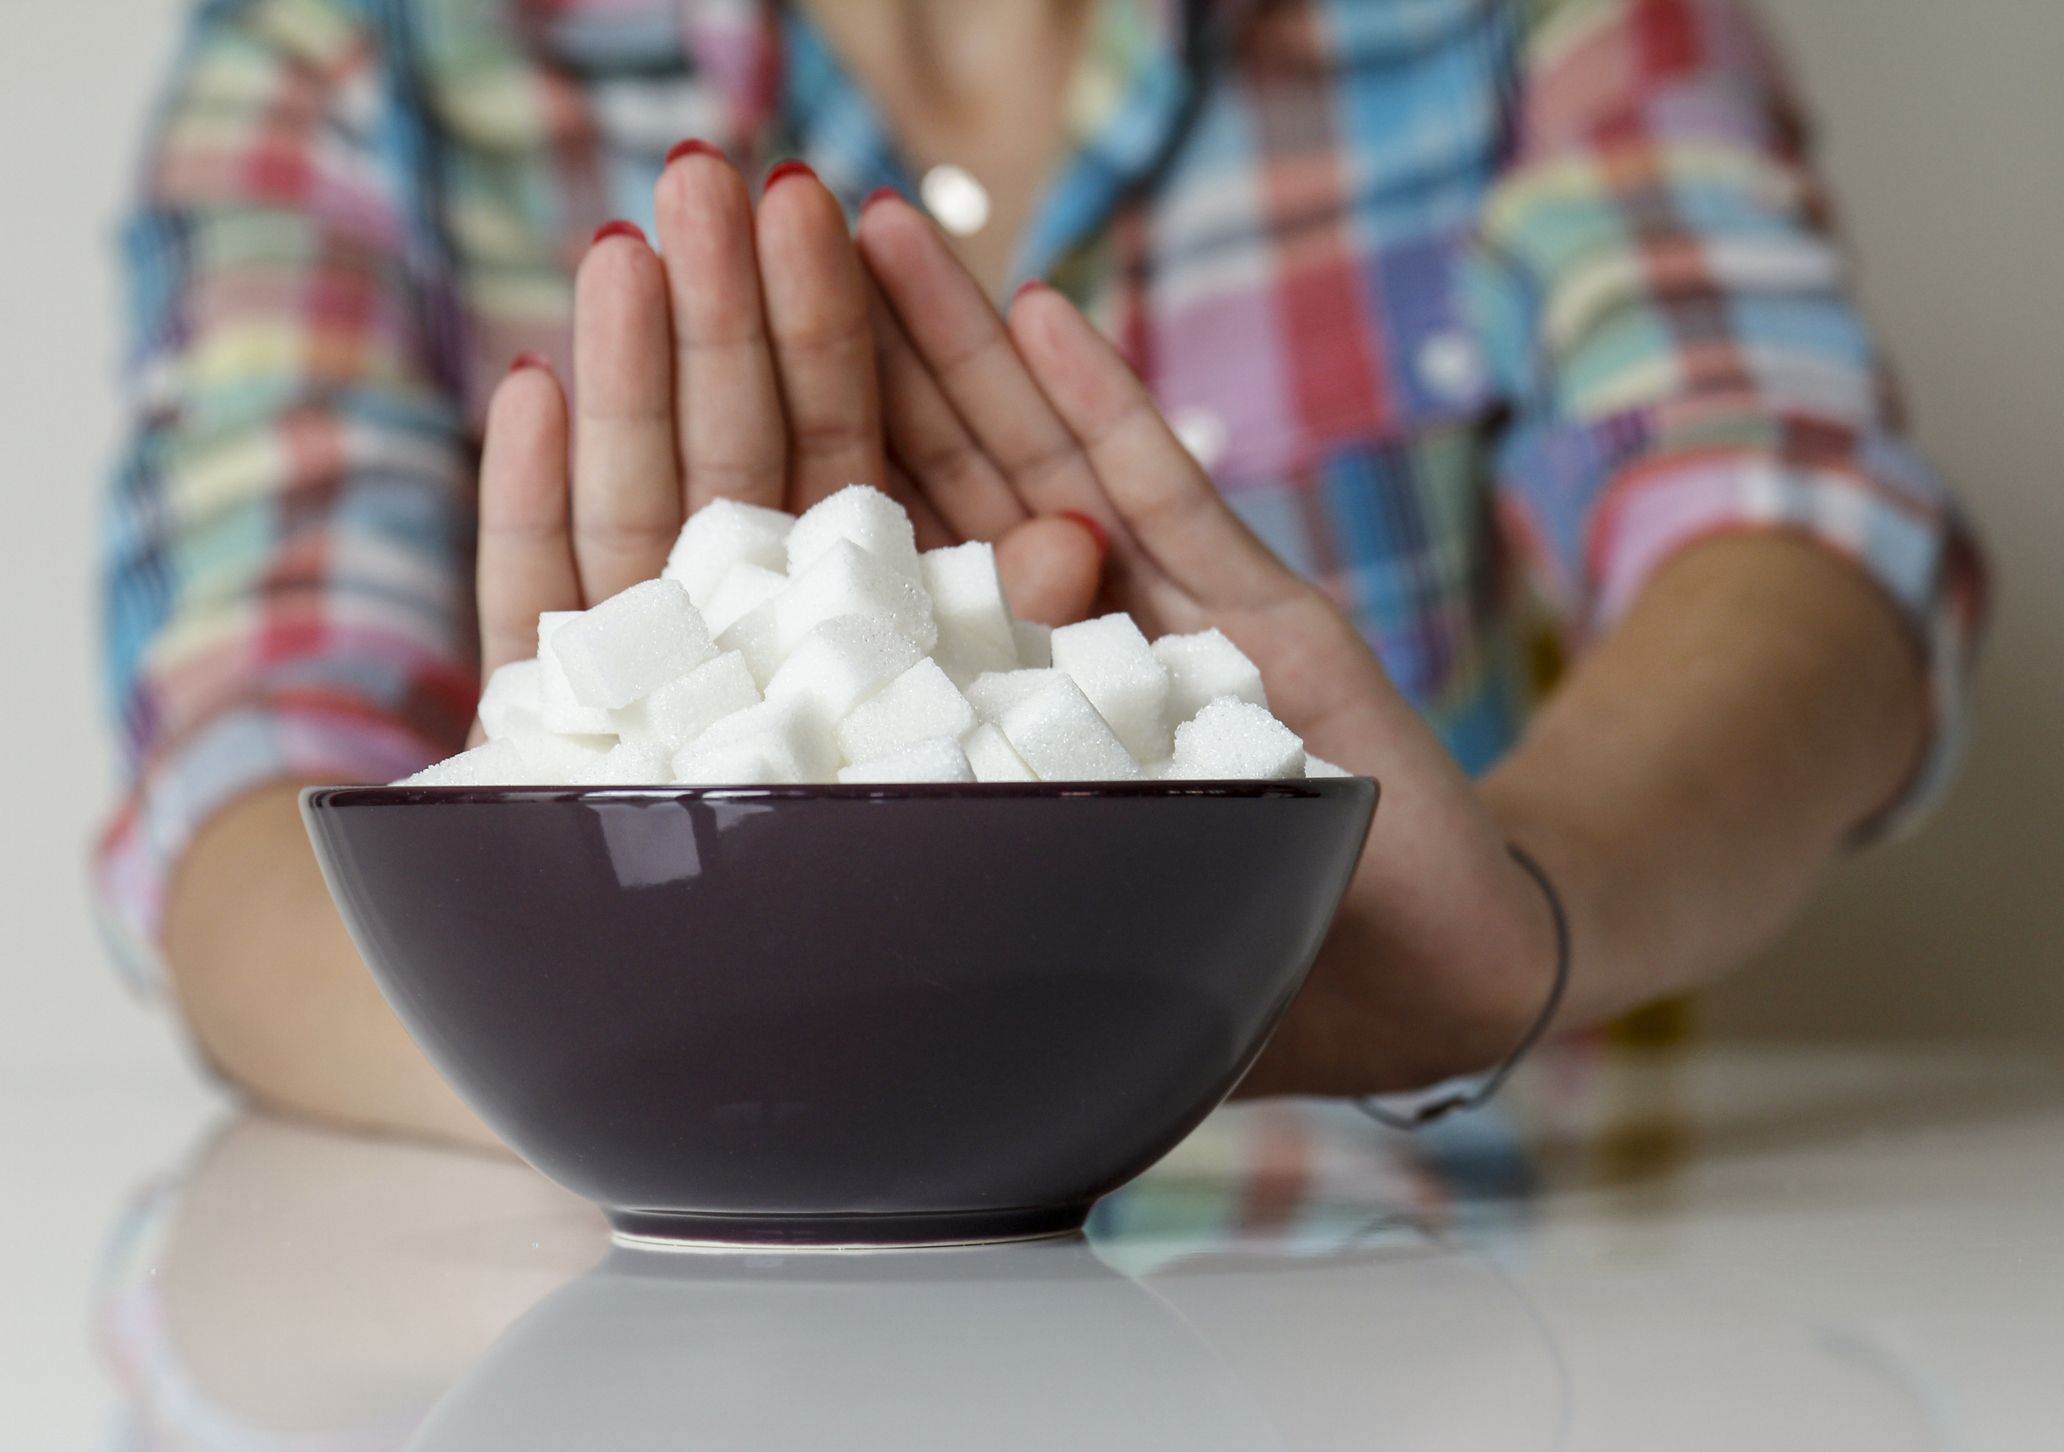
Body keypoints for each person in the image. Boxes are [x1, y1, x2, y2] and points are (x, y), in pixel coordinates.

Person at [100, 0, 1983, 1145]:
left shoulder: (1511, 30)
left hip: (1427, 1320)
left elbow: (1800, 537)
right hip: (628, 1336)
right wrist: (670, 1075)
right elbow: (237, 799)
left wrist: (1502, 931)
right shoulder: (360, 64)